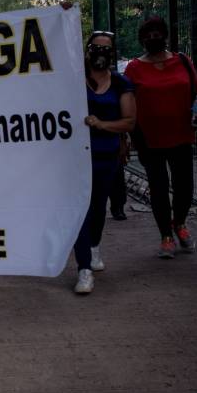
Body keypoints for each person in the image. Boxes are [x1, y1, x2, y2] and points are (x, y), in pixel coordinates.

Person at [125, 16, 197, 259]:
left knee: (185, 187)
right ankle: (166, 237)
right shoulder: (133, 68)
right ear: (142, 40)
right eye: (148, 35)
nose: (153, 38)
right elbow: (128, 101)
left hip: (182, 135)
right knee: (158, 188)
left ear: (165, 35)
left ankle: (179, 223)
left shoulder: (183, 61)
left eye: (157, 33)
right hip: (148, 139)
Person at [74, 30, 136, 294]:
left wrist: (101, 124)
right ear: (87, 50)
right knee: (80, 211)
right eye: (95, 47)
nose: (100, 52)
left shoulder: (122, 84)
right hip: (76, 158)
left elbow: (129, 120)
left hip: (105, 156)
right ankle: (84, 269)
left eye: (106, 48)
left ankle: (94, 246)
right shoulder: (73, 79)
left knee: (99, 207)